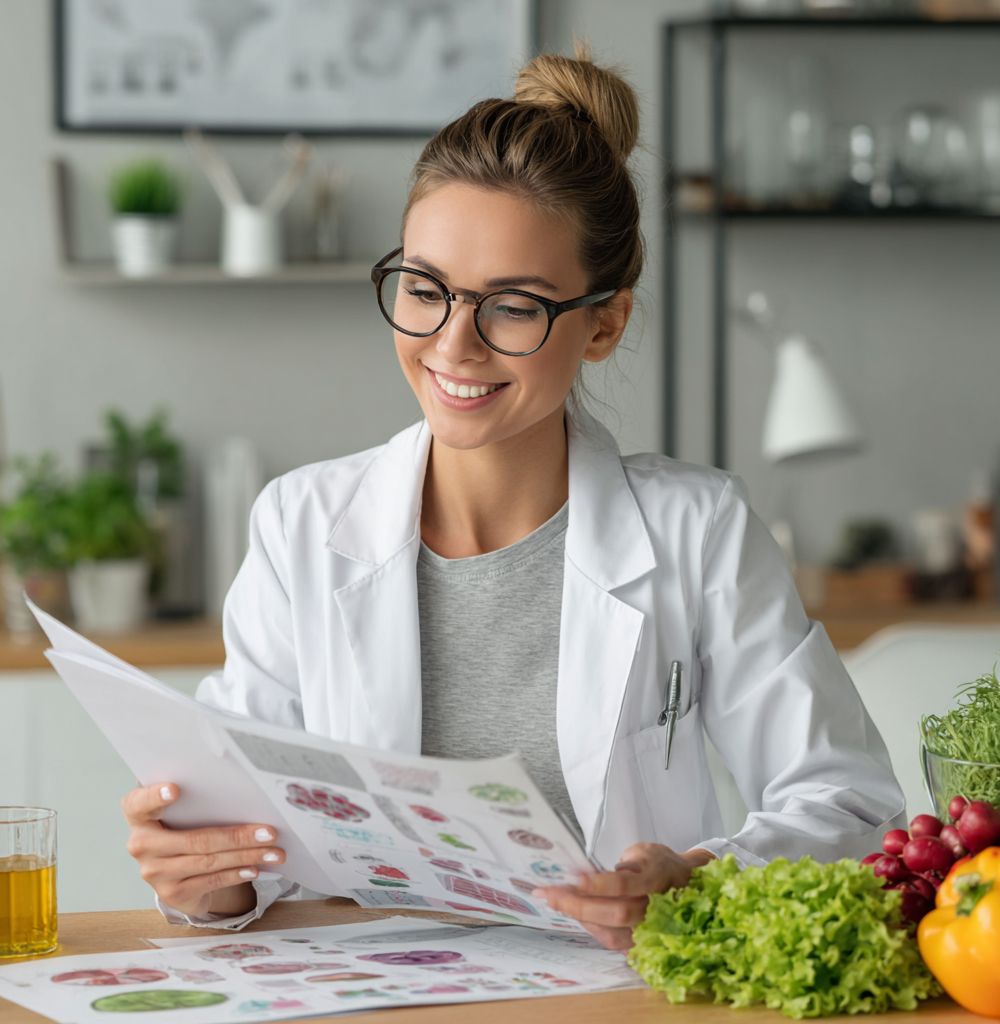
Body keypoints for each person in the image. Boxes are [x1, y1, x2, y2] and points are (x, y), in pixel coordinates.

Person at [121, 47, 904, 951]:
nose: (454, 345)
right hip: (375, 997)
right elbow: (247, 840)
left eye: (515, 306)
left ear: (604, 322)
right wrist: (207, 882)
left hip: (616, 1000)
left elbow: (848, 803)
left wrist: (700, 880)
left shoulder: (699, 531)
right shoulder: (300, 525)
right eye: (425, 290)